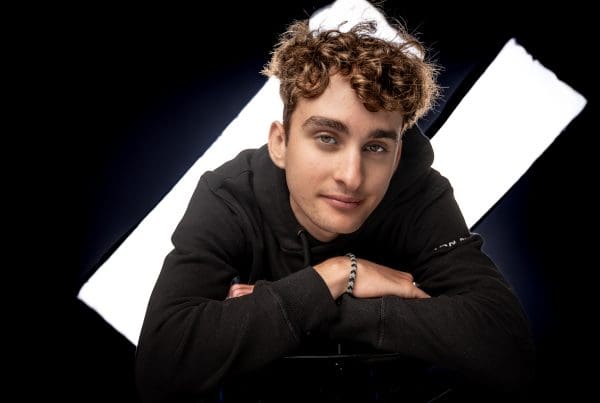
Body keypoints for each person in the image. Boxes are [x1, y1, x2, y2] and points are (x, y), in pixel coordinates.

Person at [135, 9, 534, 403]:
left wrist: (322, 302)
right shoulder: (230, 195)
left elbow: (507, 346)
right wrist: (338, 274)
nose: (352, 176)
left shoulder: (419, 195)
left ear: (396, 156)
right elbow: (162, 366)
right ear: (281, 143)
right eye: (327, 138)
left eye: (375, 147)